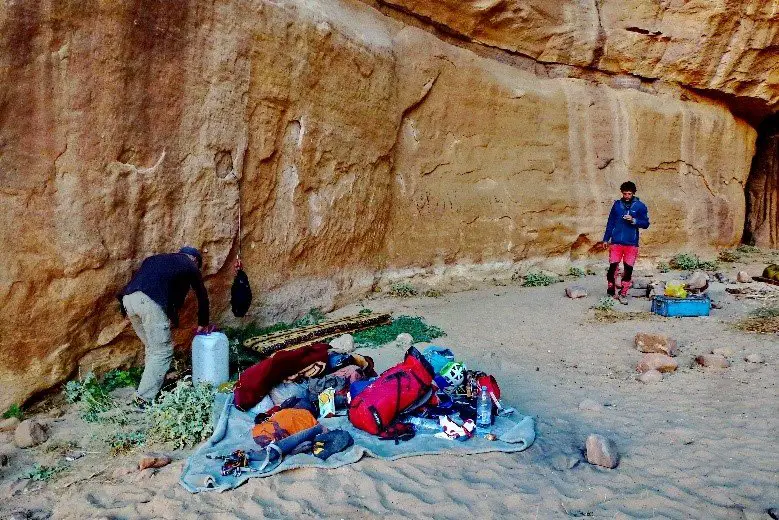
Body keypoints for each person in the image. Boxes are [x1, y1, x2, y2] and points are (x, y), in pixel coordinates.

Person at [118, 246, 210, 406]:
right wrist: (203, 323)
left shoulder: (157, 260)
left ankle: (150, 386)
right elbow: (202, 296)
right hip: (147, 301)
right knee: (163, 351)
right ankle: (143, 399)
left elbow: (167, 292)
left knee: (153, 347)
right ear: (194, 260)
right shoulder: (190, 265)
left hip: (128, 300)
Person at [596, 181, 650, 304]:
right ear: (622, 193)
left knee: (628, 269)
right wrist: (606, 239)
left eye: (629, 194)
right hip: (616, 242)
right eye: (625, 193)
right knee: (612, 268)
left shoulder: (640, 206)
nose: (627, 196)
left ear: (633, 193)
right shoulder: (617, 205)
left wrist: (634, 220)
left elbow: (646, 224)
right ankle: (610, 290)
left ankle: (623, 293)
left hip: (631, 244)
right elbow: (610, 223)